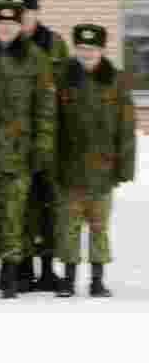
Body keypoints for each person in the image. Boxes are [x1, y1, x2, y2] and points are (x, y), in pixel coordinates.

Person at [0, 0, 55, 299]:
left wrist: (42, 145)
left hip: (20, 150)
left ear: (19, 26)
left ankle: (9, 275)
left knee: (14, 215)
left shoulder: (35, 57)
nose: (5, 29)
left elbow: (44, 105)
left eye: (11, 25)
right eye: (0, 24)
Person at [54, 24, 136, 297]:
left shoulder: (116, 79)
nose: (87, 53)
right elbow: (52, 123)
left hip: (104, 168)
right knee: (69, 226)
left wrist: (125, 166)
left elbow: (126, 127)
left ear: (102, 50)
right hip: (69, 167)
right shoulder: (63, 77)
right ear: (76, 49)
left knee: (99, 227)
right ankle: (68, 279)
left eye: (92, 49)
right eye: (82, 49)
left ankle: (97, 280)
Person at [8, 0, 70, 292]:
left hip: (51, 137)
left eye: (26, 12)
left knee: (49, 206)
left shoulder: (55, 43)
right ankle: (22, 268)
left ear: (36, 13)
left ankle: (47, 268)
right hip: (17, 140)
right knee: (21, 205)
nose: (22, 18)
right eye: (17, 13)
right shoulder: (10, 45)